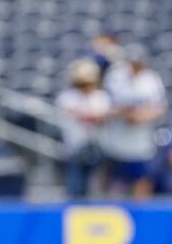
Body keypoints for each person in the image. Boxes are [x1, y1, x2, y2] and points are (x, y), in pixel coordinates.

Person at [101, 46, 166, 198]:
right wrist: (128, 114)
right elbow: (107, 106)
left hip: (142, 143)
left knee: (142, 182)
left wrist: (141, 116)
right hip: (117, 142)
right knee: (115, 185)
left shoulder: (151, 79)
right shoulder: (115, 77)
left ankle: (140, 217)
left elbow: (159, 108)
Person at [56, 58, 111, 199]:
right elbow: (73, 113)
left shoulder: (101, 96)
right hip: (74, 149)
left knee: (96, 188)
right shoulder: (67, 96)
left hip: (99, 147)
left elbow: (103, 116)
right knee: (75, 187)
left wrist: (87, 115)